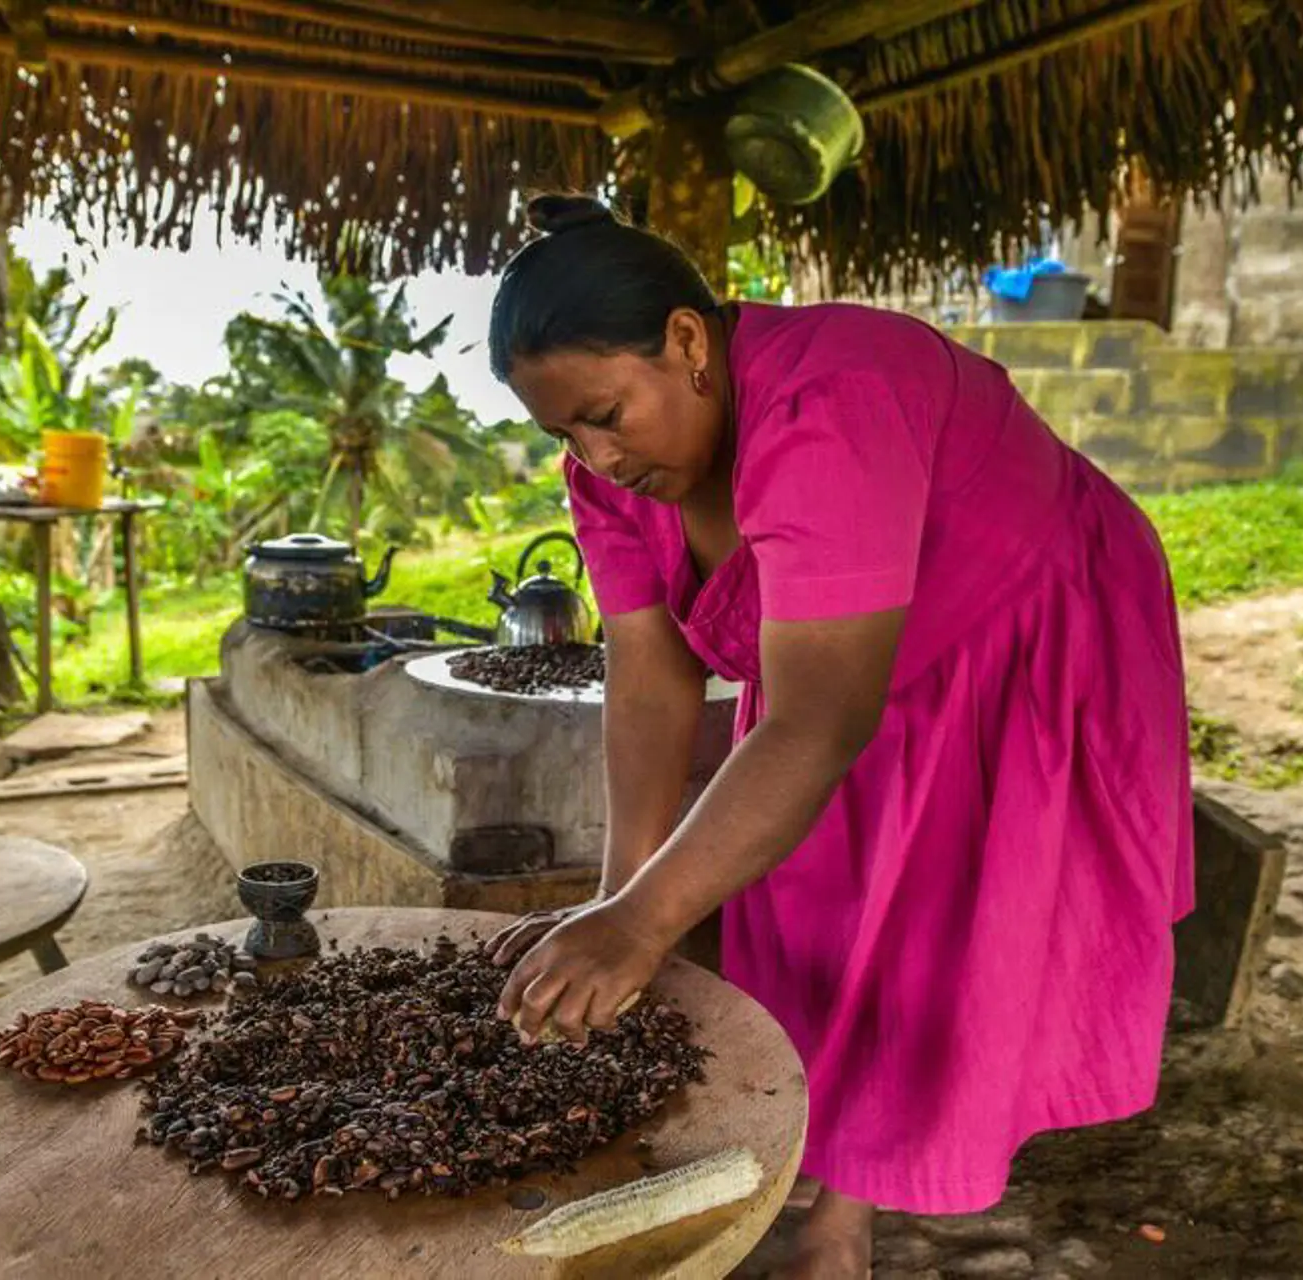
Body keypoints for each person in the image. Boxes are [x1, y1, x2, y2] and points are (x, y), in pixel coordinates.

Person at [482, 194, 1195, 1278]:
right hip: (840, 659)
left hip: (1018, 613)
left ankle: (845, 1216)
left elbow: (820, 717)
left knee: (934, 907)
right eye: (562, 432)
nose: (593, 452)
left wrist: (644, 922)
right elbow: (647, 684)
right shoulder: (607, 476)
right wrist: (629, 903)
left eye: (606, 412)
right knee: (806, 889)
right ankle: (831, 1177)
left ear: (686, 341)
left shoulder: (834, 396)